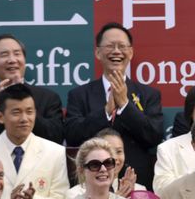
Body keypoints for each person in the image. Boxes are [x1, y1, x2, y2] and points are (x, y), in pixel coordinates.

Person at [65, 22, 163, 190]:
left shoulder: (149, 95)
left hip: (136, 183)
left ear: (130, 53)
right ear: (97, 52)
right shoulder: (79, 95)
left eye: (122, 46)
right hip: (91, 184)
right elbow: (73, 136)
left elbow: (153, 136)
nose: (116, 51)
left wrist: (125, 105)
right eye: (110, 46)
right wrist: (105, 112)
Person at [0, 33, 64, 149]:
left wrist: (24, 102)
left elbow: (56, 138)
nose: (12, 60)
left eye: (17, 54)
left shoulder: (48, 97)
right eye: (4, 55)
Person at [67, 128, 146, 198]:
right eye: (108, 151)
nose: (114, 158)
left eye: (119, 151)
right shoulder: (75, 194)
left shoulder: (139, 190)